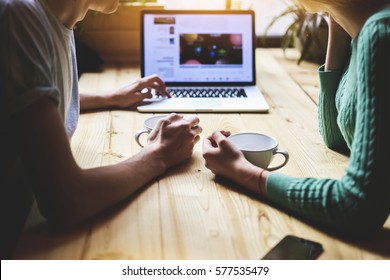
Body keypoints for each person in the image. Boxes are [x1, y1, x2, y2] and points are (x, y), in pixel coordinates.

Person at [0, 0, 202, 258]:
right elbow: (67, 201)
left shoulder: (56, 19)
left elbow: (39, 97)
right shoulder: (18, 16)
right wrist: (160, 154)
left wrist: (112, 97)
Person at [203, 0, 390, 236]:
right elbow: (336, 137)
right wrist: (337, 18)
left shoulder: (381, 31)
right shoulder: (361, 26)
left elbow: (358, 207)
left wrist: (240, 170)